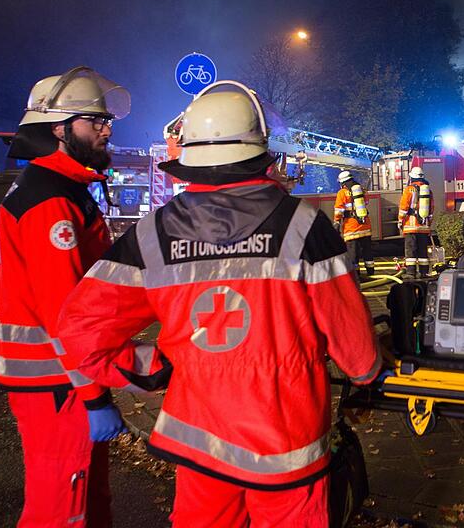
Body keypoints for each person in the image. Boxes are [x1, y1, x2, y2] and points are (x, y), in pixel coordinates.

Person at [57, 80, 381, 528]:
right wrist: (367, 374)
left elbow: (79, 332)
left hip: (199, 444)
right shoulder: (304, 226)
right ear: (261, 151)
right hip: (285, 446)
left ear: (189, 155)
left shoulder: (153, 234)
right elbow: (357, 350)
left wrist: (154, 365)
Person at [0, 66, 144, 527]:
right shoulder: (49, 202)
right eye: (93, 121)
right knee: (62, 506)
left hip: (58, 378)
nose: (105, 129)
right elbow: (65, 314)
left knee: (89, 498)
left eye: (106, 121)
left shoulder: (62, 188)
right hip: (56, 382)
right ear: (58, 129)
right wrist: (93, 395)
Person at [334, 170, 374, 280]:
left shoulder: (342, 193)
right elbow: (366, 203)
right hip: (365, 225)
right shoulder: (361, 189)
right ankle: (370, 272)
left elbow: (339, 210)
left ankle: (356, 275)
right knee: (367, 251)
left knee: (353, 254)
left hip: (351, 228)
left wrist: (337, 221)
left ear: (342, 183)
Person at [398, 165, 433, 278]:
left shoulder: (409, 189)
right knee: (423, 251)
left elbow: (404, 207)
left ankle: (411, 273)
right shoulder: (428, 190)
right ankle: (424, 272)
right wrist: (428, 224)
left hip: (411, 226)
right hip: (424, 226)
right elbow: (432, 208)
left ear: (412, 177)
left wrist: (400, 221)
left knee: (411, 251)